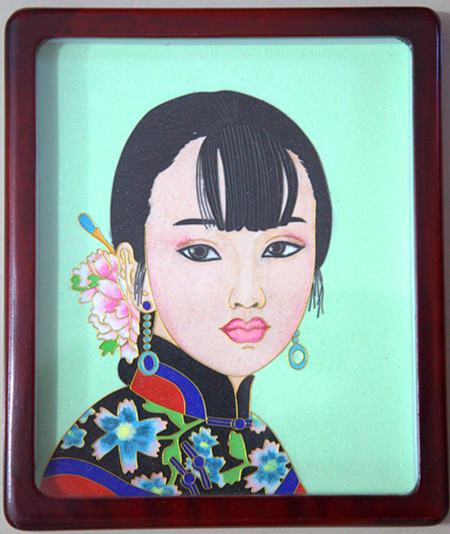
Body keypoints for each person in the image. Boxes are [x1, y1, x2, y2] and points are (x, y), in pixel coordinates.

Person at [41, 90, 332, 497]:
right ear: (133, 271)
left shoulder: (264, 454)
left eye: (280, 248)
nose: (248, 294)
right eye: (200, 251)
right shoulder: (93, 465)